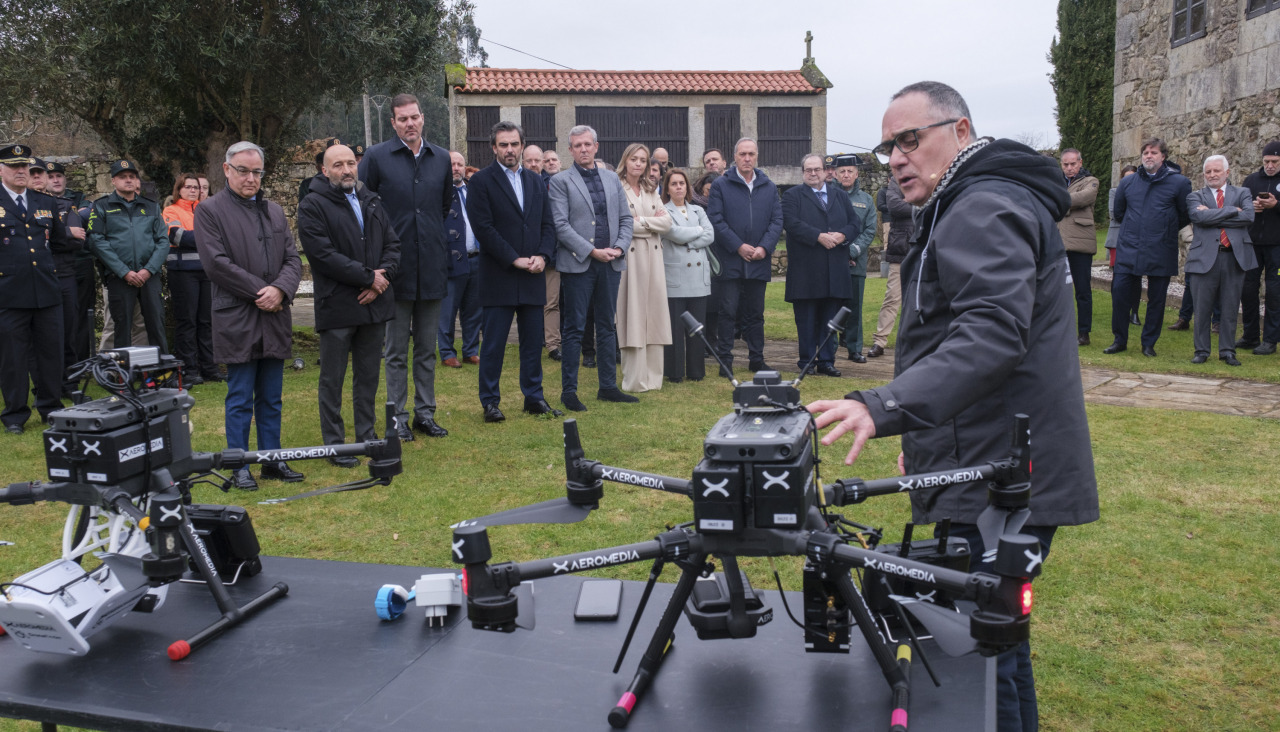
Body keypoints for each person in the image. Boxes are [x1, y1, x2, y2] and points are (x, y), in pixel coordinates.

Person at [806, 81, 1098, 732]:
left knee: (982, 647)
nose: (896, 158)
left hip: (1000, 477)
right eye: (888, 147)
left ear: (960, 131)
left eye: (910, 140)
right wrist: (927, 440)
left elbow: (991, 334)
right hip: (985, 459)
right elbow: (952, 335)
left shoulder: (981, 204)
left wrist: (883, 406)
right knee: (998, 638)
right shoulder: (971, 198)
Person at [195, 141, 304, 491]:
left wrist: (281, 290)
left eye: (257, 172)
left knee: (271, 396)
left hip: (274, 316)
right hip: (238, 316)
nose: (251, 178)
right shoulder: (209, 211)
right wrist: (263, 292)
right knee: (240, 396)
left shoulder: (274, 211)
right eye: (243, 171)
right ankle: (238, 464)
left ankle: (272, 460)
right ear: (227, 169)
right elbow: (216, 265)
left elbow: (293, 259)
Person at [358, 93, 454, 440]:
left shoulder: (441, 158)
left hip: (431, 267)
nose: (410, 124)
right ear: (393, 123)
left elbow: (442, 207)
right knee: (396, 351)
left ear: (422, 118)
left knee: (427, 350)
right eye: (403, 119)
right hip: (393, 269)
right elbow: (364, 207)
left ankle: (425, 414)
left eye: (414, 117)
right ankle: (397, 417)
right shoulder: (376, 157)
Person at [297, 143, 400, 464]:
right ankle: (335, 446)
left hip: (373, 304)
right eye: (338, 165)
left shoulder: (371, 199)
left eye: (351, 163)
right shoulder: (312, 205)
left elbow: (393, 245)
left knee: (368, 378)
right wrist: (369, 278)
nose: (346, 170)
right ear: (324, 170)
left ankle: (366, 438)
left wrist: (381, 279)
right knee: (332, 380)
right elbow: (322, 255)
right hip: (338, 305)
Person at [466, 121, 561, 421]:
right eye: (503, 144)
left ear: (522, 146)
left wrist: (544, 256)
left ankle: (534, 397)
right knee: (494, 344)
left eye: (514, 144)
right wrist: (513, 259)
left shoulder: (535, 181)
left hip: (533, 274)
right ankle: (490, 402)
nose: (509, 149)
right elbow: (483, 228)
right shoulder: (481, 182)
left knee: (532, 343)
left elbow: (548, 224)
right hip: (499, 275)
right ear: (493, 147)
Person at [547, 124, 636, 412]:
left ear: (596, 146)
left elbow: (625, 219)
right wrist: (592, 251)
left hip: (611, 263)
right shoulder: (560, 181)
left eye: (587, 144)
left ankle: (608, 387)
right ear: (570, 150)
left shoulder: (612, 178)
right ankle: (569, 392)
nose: (583, 149)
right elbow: (560, 225)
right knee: (574, 328)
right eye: (577, 146)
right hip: (579, 264)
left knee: (607, 326)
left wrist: (619, 247)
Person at [0, 143, 68, 434]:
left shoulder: (44, 201)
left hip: (46, 290)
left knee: (50, 354)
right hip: (8, 293)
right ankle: (15, 415)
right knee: (12, 358)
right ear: (1, 170)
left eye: (24, 166)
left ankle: (51, 408)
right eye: (14, 166)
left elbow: (60, 241)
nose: (20, 171)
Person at [1107, 138, 1191, 357]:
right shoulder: (1128, 182)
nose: (1149, 156)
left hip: (1161, 248)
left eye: (1153, 152)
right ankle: (1119, 340)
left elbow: (1184, 215)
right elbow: (1119, 212)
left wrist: (1162, 228)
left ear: (1163, 156)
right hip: (1129, 247)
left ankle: (1148, 343)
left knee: (1157, 299)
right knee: (1120, 293)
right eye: (1145, 153)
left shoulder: (1179, 183)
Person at [706, 137, 782, 374]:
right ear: (735, 157)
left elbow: (777, 221)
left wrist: (764, 248)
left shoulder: (769, 187)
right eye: (742, 154)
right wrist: (738, 246)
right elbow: (716, 220)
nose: (747, 158)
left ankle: (757, 360)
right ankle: (725, 361)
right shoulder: (720, 185)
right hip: (730, 260)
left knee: (756, 315)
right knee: (727, 312)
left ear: (756, 156)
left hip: (759, 260)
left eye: (751, 154)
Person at [782, 154, 857, 377]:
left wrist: (843, 235)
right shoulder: (792, 196)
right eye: (808, 170)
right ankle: (807, 361)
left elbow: (855, 223)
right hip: (806, 270)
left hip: (834, 269)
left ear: (825, 171)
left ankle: (826, 361)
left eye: (817, 169)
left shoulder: (840, 195)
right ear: (802, 172)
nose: (813, 173)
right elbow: (791, 223)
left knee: (829, 319)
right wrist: (818, 236)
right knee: (806, 319)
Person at [85, 159, 170, 352]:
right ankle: (122, 369)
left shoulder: (151, 206)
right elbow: (96, 241)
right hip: (119, 277)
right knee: (121, 328)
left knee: (156, 325)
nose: (128, 180)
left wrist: (148, 270)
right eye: (123, 177)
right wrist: (124, 272)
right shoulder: (102, 206)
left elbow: (163, 241)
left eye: (132, 176)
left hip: (149, 276)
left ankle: (162, 368)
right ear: (113, 181)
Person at [1186, 155, 1255, 366]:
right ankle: (1201, 351)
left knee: (1230, 308)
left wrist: (1213, 216)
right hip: (1204, 259)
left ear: (1227, 172)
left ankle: (1227, 351)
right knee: (1202, 309)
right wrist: (1233, 210)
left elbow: (1248, 217)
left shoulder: (1242, 193)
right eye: (1208, 172)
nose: (1212, 175)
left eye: (1216, 171)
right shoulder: (1195, 196)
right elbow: (1199, 218)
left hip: (1234, 257)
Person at [616, 143, 672, 392]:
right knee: (633, 314)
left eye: (642, 160)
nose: (638, 164)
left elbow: (667, 223)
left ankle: (653, 378)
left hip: (654, 259)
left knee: (655, 315)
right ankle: (635, 379)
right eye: (634, 159)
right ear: (625, 161)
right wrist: (650, 223)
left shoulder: (651, 188)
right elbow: (622, 224)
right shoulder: (617, 187)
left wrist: (641, 221)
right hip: (630, 260)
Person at [163, 173, 219, 384]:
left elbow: (220, 237)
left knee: (207, 322)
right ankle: (189, 369)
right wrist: (208, 238)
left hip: (207, 272)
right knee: (187, 322)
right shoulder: (171, 210)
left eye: (196, 187)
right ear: (179, 189)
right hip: (182, 272)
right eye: (188, 187)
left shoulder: (206, 211)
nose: (193, 190)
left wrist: (200, 237)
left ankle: (210, 368)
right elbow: (177, 236)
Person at [660, 167, 714, 382]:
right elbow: (673, 233)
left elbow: (710, 235)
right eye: (673, 184)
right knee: (675, 327)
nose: (678, 187)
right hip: (676, 275)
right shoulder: (663, 211)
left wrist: (689, 240)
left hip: (698, 276)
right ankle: (674, 372)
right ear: (667, 188)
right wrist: (698, 232)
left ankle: (696, 371)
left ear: (687, 187)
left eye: (682, 183)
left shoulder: (698, 210)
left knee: (697, 327)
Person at [438, 151, 481, 368]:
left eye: (460, 164)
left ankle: (470, 351)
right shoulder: (438, 193)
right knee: (448, 310)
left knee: (474, 310)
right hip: (451, 260)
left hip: (476, 259)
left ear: (465, 167)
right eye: (452, 164)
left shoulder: (474, 191)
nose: (456, 168)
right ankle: (447, 352)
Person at [833, 154, 877, 363]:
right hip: (832, 260)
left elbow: (870, 230)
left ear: (857, 174)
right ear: (835, 174)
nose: (846, 175)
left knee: (854, 308)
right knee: (830, 306)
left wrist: (852, 251)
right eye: (842, 171)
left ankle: (854, 349)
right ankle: (828, 350)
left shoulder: (866, 200)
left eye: (850, 171)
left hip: (855, 262)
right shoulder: (828, 196)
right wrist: (840, 251)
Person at [1239, 141, 1280, 355]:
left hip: (1277, 247)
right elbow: (1240, 205)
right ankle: (1250, 335)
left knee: (1274, 292)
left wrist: (1276, 205)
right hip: (1253, 243)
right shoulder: (1252, 180)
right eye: (1266, 161)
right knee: (1247, 290)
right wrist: (1251, 208)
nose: (1270, 166)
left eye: (1274, 161)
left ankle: (1271, 339)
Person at [1058, 149, 1099, 346]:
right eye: (1065, 164)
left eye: (1073, 164)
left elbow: (1084, 197)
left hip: (1080, 244)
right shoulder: (1056, 182)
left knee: (1082, 290)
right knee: (1057, 290)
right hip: (1058, 243)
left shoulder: (1091, 181)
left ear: (1080, 163)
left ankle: (1084, 332)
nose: (1069, 168)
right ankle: (1059, 330)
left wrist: (1058, 200)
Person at [868, 177, 913, 359]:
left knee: (924, 298)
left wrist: (908, 202)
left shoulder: (929, 176)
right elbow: (894, 206)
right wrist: (921, 205)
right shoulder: (897, 180)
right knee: (892, 297)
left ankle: (917, 341)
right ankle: (880, 341)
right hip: (900, 247)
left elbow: (938, 204)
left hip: (925, 246)